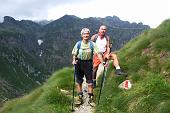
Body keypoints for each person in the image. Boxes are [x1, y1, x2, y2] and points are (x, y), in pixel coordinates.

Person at [72, 28, 106, 107]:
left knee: (90, 82)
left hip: (88, 63)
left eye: (87, 34)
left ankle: (90, 98)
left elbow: (98, 54)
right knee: (79, 81)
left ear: (89, 35)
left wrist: (102, 62)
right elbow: (74, 53)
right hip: (78, 63)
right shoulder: (78, 44)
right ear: (82, 35)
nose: (86, 35)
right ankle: (80, 96)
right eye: (84, 34)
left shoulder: (92, 44)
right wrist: (74, 60)